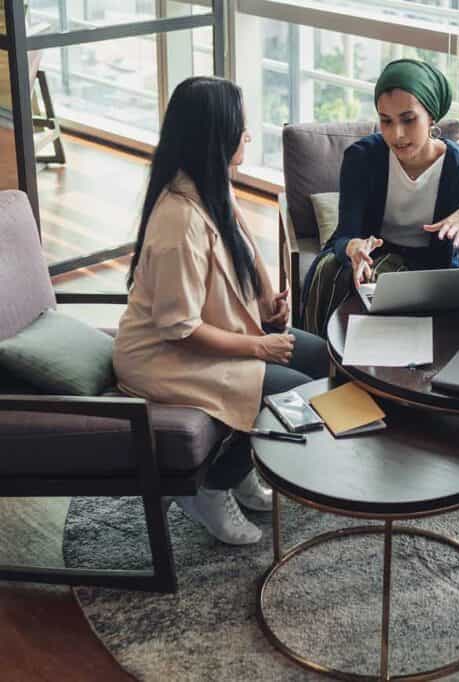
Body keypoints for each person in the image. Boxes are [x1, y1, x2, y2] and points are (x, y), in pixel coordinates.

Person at [114, 77, 329, 546]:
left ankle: (240, 470)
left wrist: (270, 301)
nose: (248, 136)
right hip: (166, 356)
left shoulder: (212, 186)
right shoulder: (178, 223)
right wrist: (259, 345)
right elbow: (179, 329)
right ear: (216, 136)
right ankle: (210, 490)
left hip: (208, 335)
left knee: (322, 359)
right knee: (290, 396)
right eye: (241, 128)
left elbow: (243, 249)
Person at [301, 59, 459, 334]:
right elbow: (345, 236)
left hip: (427, 272)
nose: (397, 134)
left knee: (388, 282)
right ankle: (325, 359)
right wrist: (353, 247)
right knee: (333, 269)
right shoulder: (361, 159)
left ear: (431, 117)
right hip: (372, 257)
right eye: (386, 121)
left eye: (408, 119)